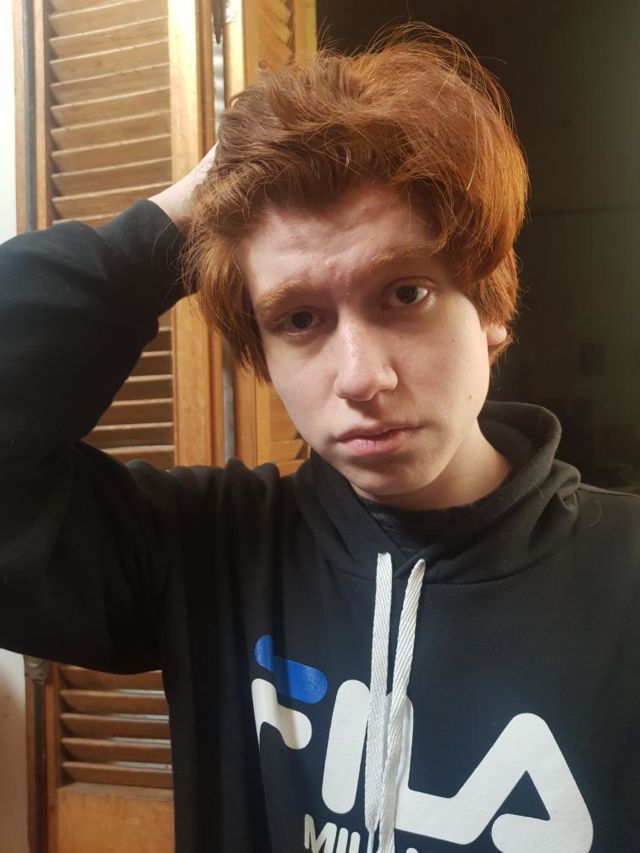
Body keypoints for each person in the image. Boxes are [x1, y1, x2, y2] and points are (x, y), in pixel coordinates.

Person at [0, 24, 637, 853]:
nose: (361, 376)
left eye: (404, 293)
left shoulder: (624, 577)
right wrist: (181, 219)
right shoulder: (205, 553)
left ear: (490, 310)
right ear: (263, 354)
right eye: (299, 318)